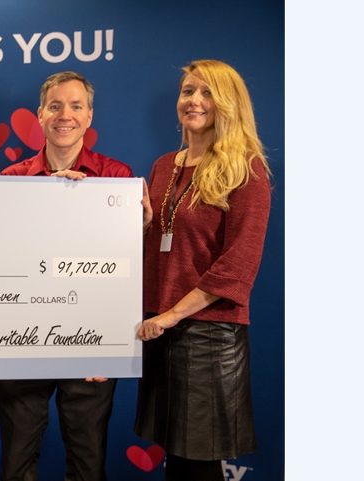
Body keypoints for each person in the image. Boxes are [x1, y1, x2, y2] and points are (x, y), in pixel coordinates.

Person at [0, 71, 149, 481]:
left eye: (76, 106)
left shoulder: (116, 179)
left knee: (87, 464)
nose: (66, 115)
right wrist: (50, 203)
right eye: (56, 106)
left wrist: (109, 344)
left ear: (89, 116)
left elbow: (123, 266)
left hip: (90, 346)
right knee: (15, 462)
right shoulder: (9, 181)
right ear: (40, 115)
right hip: (20, 339)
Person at [135, 59, 271, 481]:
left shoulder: (245, 168)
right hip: (163, 328)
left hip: (209, 334)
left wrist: (174, 314)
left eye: (207, 92)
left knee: (199, 463)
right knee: (176, 457)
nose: (194, 101)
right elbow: (161, 243)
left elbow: (238, 263)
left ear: (229, 104)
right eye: (188, 91)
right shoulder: (164, 166)